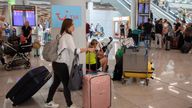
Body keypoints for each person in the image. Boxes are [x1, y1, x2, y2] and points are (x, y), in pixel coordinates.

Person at [45, 18, 95, 108]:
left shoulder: (62, 35)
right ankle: (70, 105)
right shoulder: (67, 37)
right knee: (66, 85)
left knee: (55, 83)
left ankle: (49, 101)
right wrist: (88, 49)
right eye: (72, 25)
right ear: (68, 27)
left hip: (56, 63)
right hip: (61, 65)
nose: (74, 26)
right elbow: (75, 51)